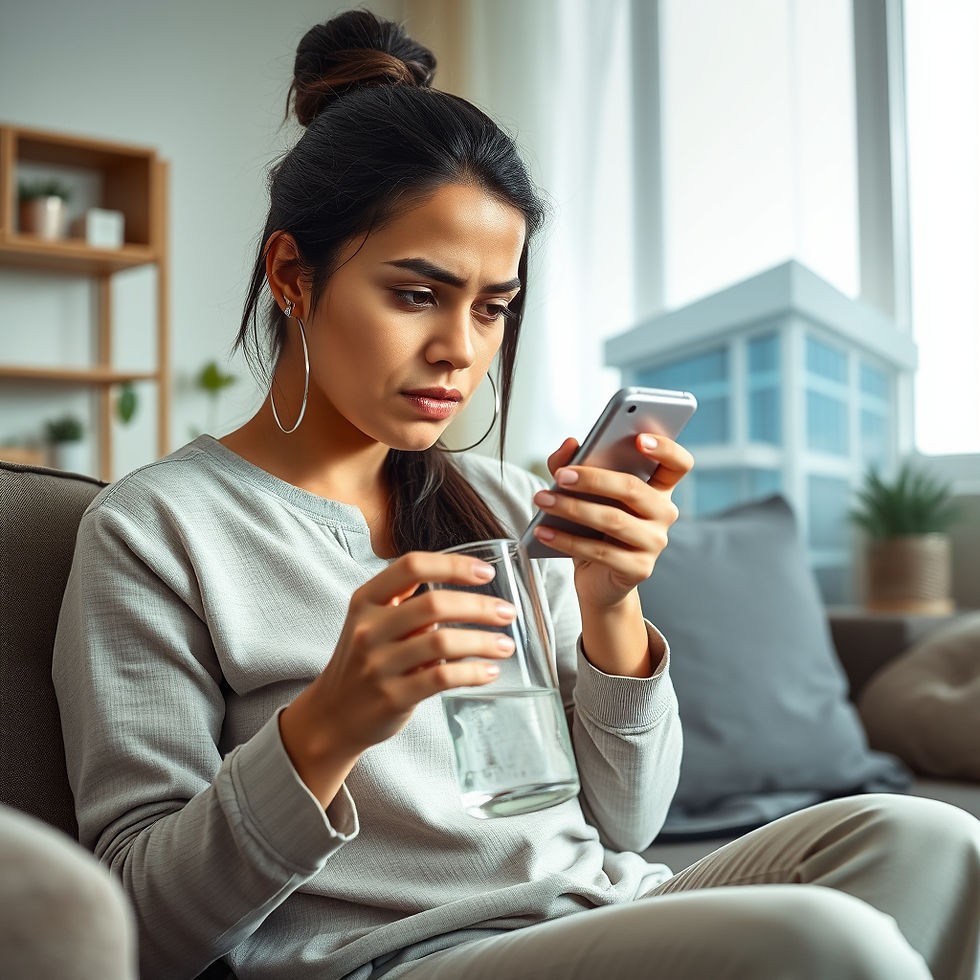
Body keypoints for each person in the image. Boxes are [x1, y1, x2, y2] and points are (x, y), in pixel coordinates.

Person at [52, 10, 980, 980]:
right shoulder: (157, 530)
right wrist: (325, 723)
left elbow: (628, 820)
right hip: (401, 957)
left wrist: (608, 604)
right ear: (292, 274)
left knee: (929, 841)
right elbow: (139, 925)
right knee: (825, 944)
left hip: (598, 909)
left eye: (491, 306)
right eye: (416, 293)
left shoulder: (502, 503)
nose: (461, 347)